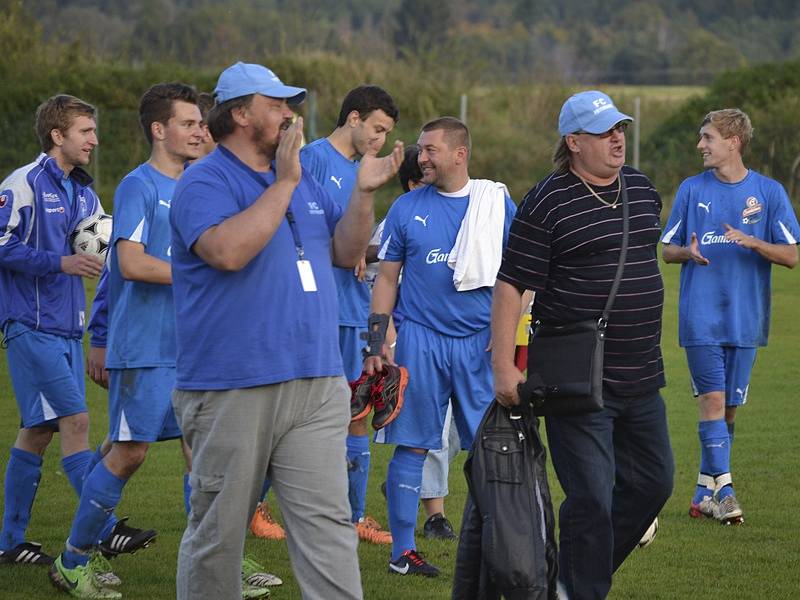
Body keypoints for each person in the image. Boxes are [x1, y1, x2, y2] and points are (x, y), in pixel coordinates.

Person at [169, 62, 403, 600]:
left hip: (316, 379)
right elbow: (227, 251)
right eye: (276, 104)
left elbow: (346, 253)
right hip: (234, 384)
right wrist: (285, 181)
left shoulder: (302, 180)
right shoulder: (205, 179)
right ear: (239, 114)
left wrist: (364, 196)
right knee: (218, 536)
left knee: (327, 526)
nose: (289, 113)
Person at [492, 90, 674, 600]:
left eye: (619, 128)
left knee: (654, 485)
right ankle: (578, 588)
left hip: (642, 375)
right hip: (578, 378)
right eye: (603, 131)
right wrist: (505, 366)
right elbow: (510, 285)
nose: (617, 138)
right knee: (591, 497)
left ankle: (572, 579)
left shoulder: (641, 189)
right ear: (573, 142)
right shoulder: (548, 199)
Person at [49, 82, 204, 600]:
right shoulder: (139, 184)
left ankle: (215, 562)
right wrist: (201, 274)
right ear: (160, 130)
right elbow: (131, 264)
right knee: (129, 453)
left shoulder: (199, 184)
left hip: (194, 348)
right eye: (188, 122)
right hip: (145, 346)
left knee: (201, 452)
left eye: (201, 122)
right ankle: (73, 560)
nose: (199, 130)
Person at [365, 117, 517, 576]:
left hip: (480, 345)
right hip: (421, 342)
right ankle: (403, 553)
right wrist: (377, 341)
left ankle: (499, 545)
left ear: (459, 153)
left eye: (430, 149)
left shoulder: (495, 204)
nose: (421, 157)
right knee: (411, 446)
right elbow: (386, 277)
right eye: (420, 149)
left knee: (492, 448)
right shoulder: (407, 207)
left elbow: (523, 275)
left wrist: (508, 329)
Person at [251, 85, 399, 546]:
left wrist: (362, 248)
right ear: (353, 118)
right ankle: (253, 504)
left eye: (387, 133)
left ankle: (353, 517)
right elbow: (291, 223)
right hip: (315, 311)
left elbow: (348, 236)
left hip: (351, 307)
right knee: (292, 416)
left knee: (356, 412)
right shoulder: (311, 158)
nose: (379, 140)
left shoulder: (359, 171)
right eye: (376, 129)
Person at [661, 108, 799, 525]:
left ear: (733, 142)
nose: (700, 145)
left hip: (746, 320)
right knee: (713, 402)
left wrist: (754, 242)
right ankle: (727, 492)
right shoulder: (690, 189)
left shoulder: (769, 193)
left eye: (707, 138)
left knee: (729, 411)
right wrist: (689, 252)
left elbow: (792, 255)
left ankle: (704, 492)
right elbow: (667, 249)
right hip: (700, 317)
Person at [0, 94, 105, 567]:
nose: (94, 140)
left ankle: (9, 542)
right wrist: (57, 261)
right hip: (28, 323)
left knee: (37, 432)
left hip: (67, 329)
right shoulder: (23, 182)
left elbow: (98, 245)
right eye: (85, 131)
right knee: (76, 422)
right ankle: (106, 527)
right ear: (57, 135)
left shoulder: (85, 193)